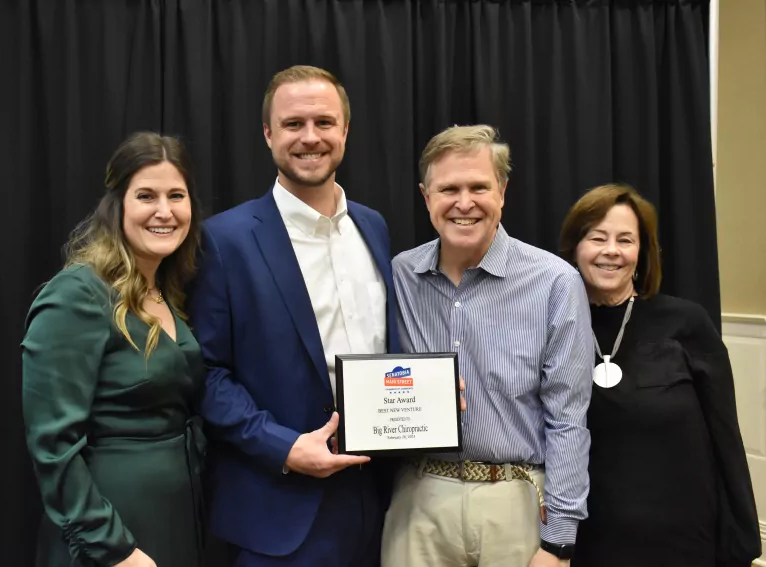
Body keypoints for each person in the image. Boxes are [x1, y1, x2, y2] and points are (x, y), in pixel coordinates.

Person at [189, 65, 399, 566]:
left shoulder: (373, 226)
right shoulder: (224, 240)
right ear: (268, 134)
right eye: (293, 124)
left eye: (324, 122)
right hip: (277, 512)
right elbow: (206, 373)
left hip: (375, 503)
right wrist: (283, 448)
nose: (310, 137)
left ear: (345, 130)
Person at [383, 124, 594, 567]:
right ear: (426, 197)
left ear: (502, 191)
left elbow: (568, 419)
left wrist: (559, 542)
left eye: (478, 187)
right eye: (449, 189)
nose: (464, 203)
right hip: (419, 503)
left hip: (514, 502)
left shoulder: (555, 283)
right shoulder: (399, 275)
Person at [21, 132, 207, 567]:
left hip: (175, 520)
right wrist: (114, 549)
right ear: (117, 205)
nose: (164, 211)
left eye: (176, 196)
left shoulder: (166, 292)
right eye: (146, 196)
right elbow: (53, 447)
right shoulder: (76, 295)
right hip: (111, 535)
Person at [558, 183, 761, 567]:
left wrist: (741, 543)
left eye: (625, 240)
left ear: (642, 252)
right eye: (597, 237)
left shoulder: (686, 322)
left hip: (683, 537)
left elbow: (726, 438)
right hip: (588, 538)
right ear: (574, 248)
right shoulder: (554, 327)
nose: (611, 250)